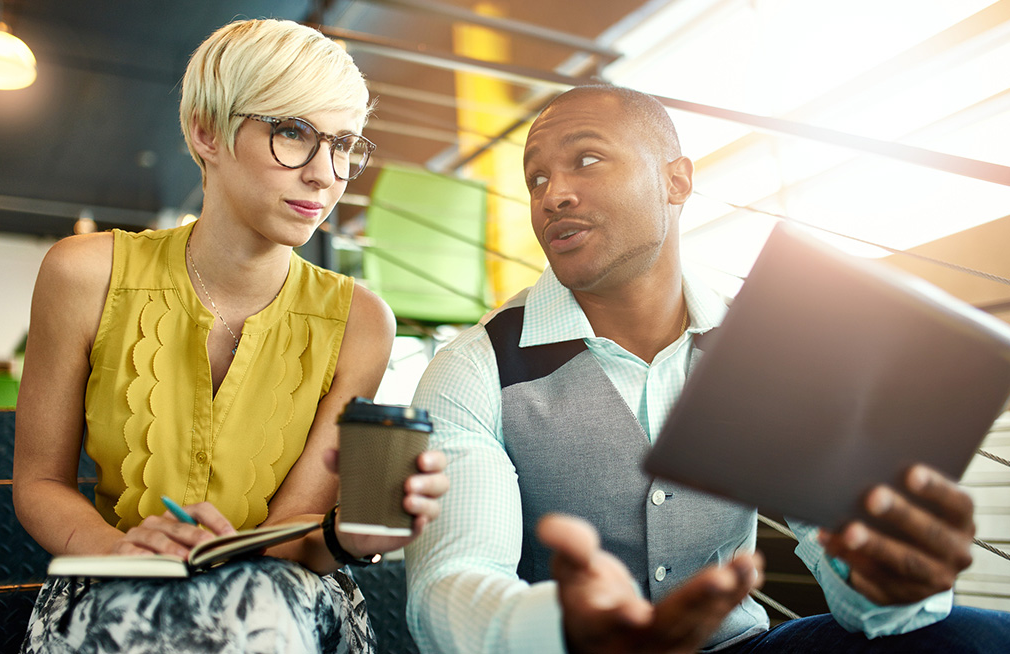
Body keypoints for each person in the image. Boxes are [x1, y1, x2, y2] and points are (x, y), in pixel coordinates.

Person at [404, 83, 1010, 653]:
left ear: (676, 180)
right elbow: (451, 578)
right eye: (537, 177)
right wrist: (563, 628)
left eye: (586, 161)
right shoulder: (473, 368)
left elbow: (853, 579)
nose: (552, 194)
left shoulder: (768, 351)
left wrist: (892, 585)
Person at [13, 18, 447, 653]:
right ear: (205, 133)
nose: (325, 173)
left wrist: (350, 535)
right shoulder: (83, 273)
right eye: (293, 133)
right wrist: (123, 550)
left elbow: (292, 534)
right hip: (112, 570)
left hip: (283, 588)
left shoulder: (361, 320)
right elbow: (40, 484)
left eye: (344, 145)